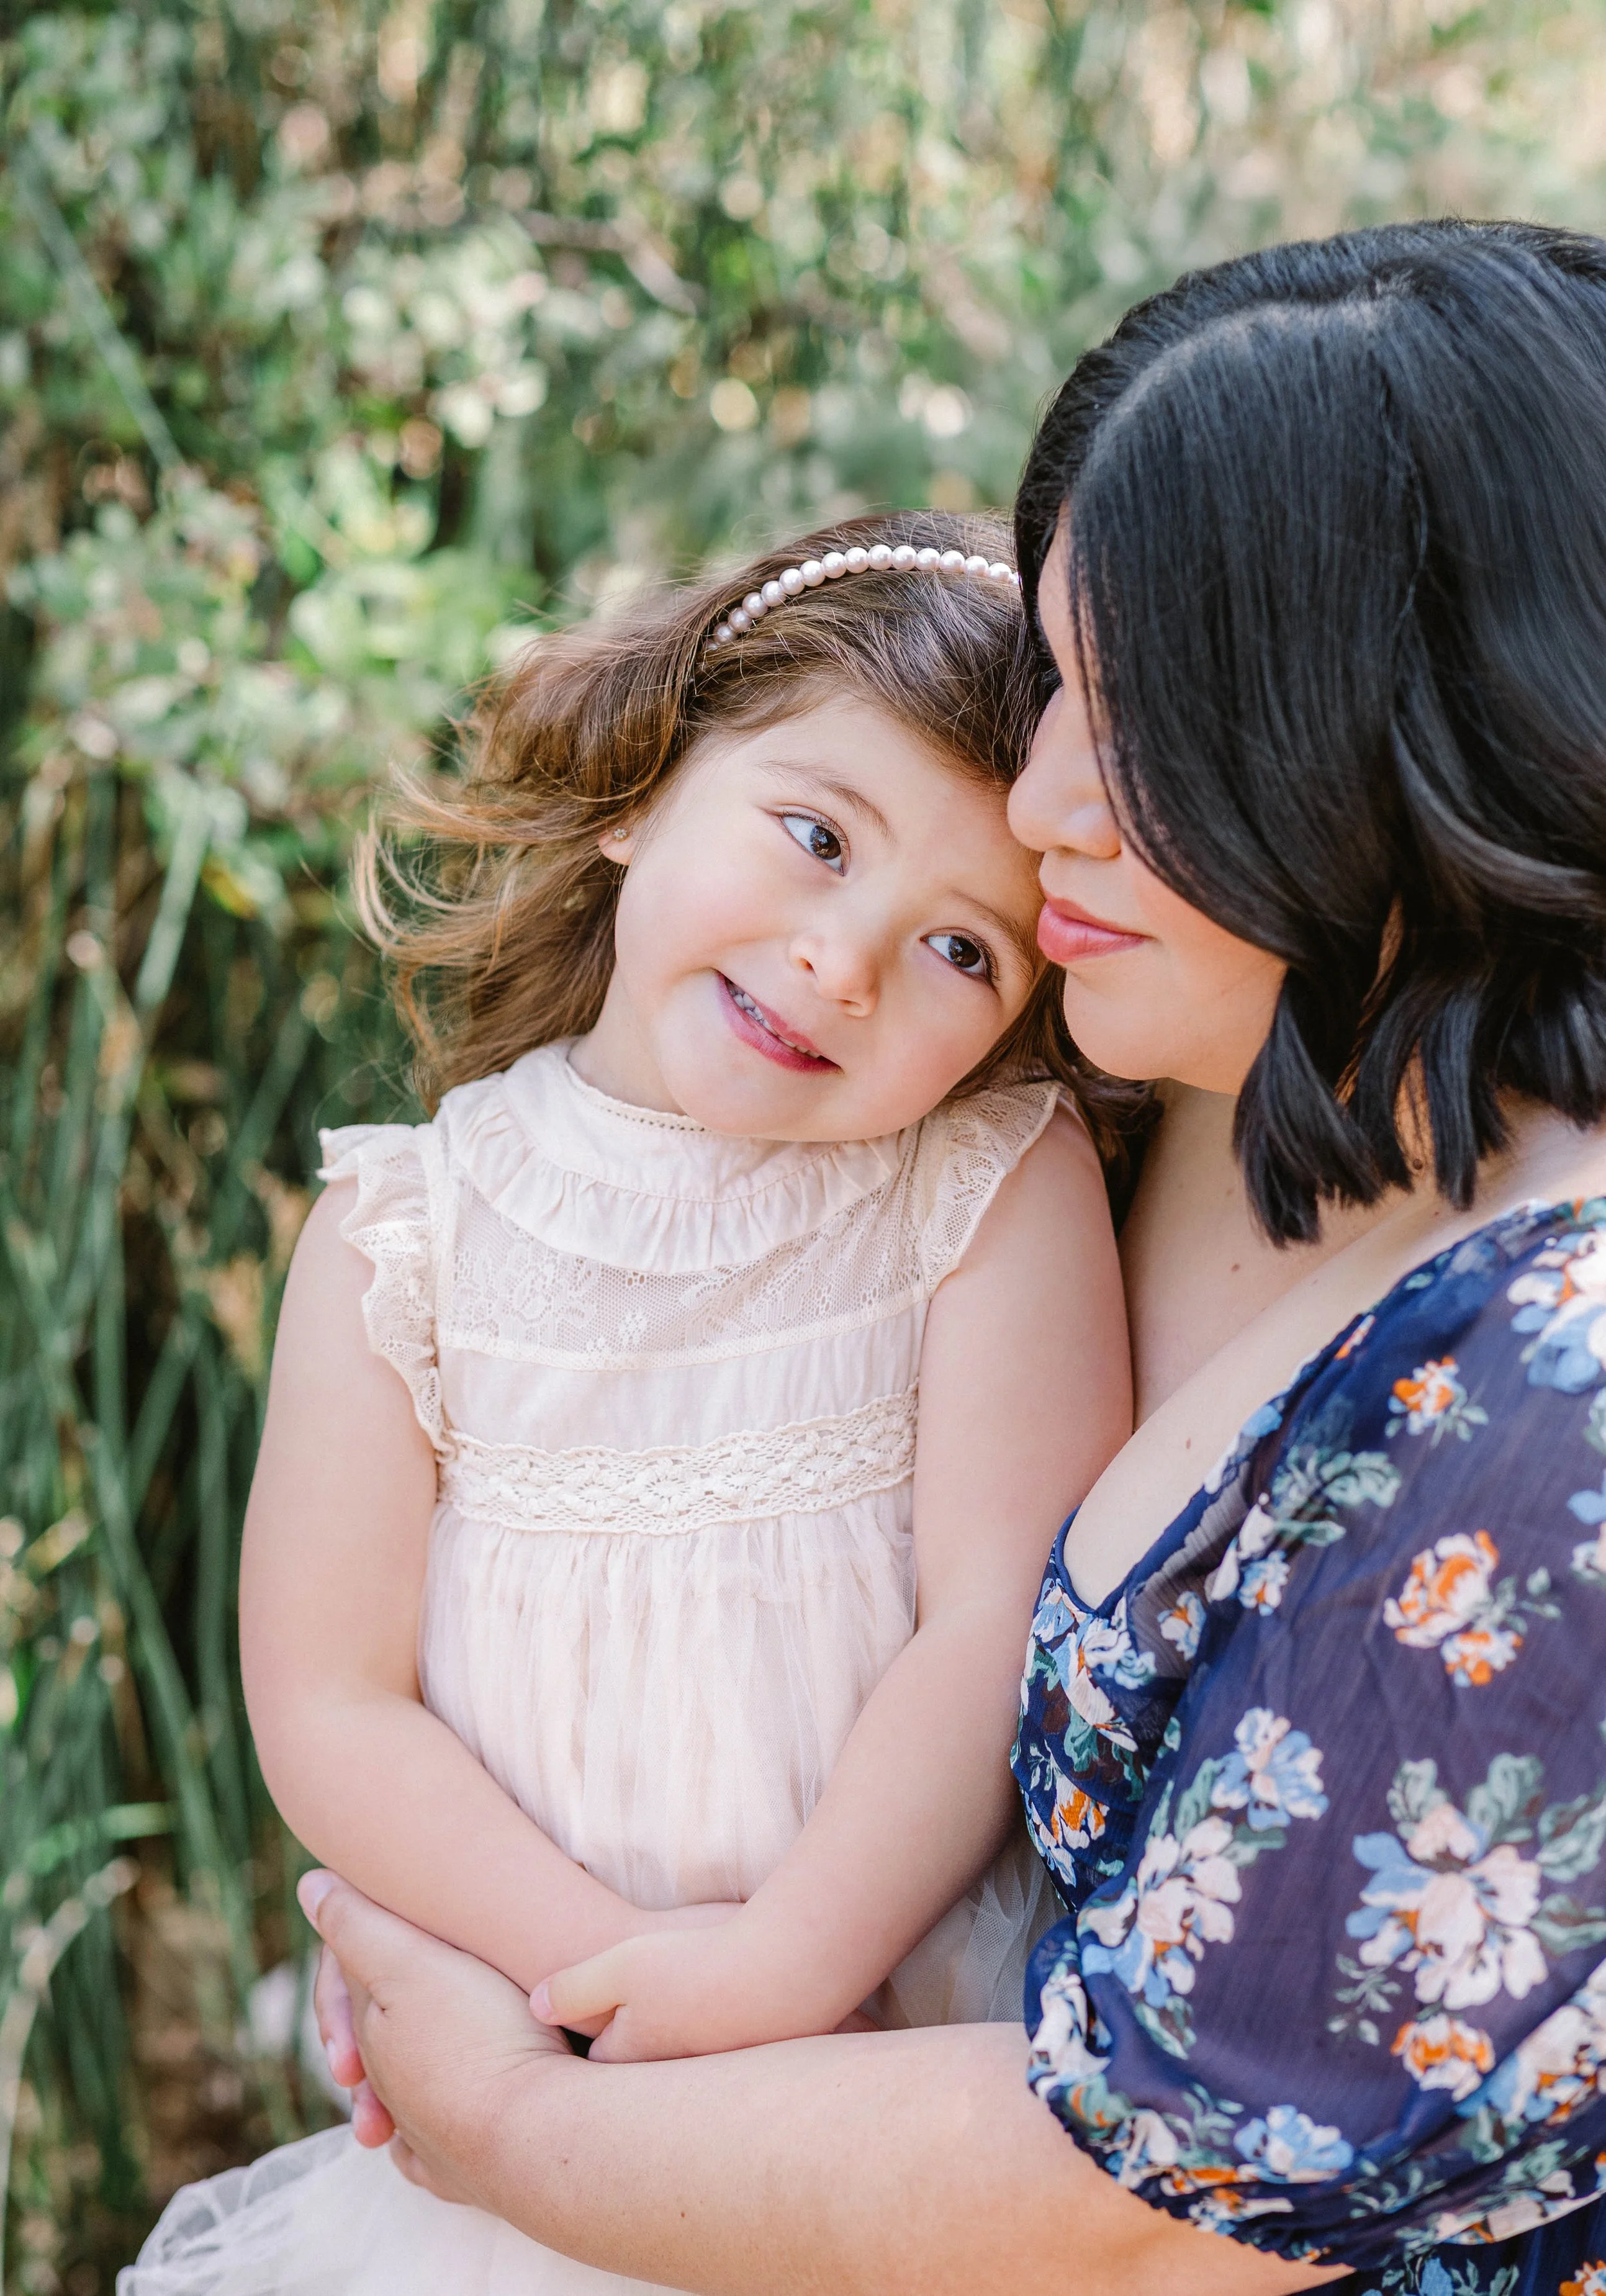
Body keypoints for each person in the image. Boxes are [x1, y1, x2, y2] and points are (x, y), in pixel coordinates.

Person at [298, 220, 1606, 2296]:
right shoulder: (1186, 1079)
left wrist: (524, 2117)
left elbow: (1146, 2206)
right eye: (1060, 688)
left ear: (1381, 724)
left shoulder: (1555, 1380)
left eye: (1133, 704)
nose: (1039, 796)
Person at [120, 512, 1134, 2293]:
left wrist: (785, 1965)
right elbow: (330, 1698)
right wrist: (603, 1973)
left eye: (963, 948)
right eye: (813, 837)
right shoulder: (401, 1234)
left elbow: (996, 1613)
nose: (843, 959)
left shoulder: (986, 1186)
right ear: (641, 784)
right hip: (536, 2040)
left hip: (882, 2043)